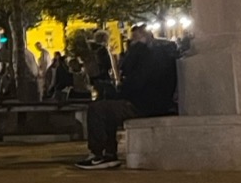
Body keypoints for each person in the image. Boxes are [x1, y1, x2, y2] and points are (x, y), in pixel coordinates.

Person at [76, 24, 178, 169]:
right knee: (107, 107)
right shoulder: (161, 55)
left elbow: (135, 84)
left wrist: (118, 91)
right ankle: (107, 153)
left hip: (145, 105)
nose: (131, 43)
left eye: (134, 39)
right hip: (156, 103)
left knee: (97, 109)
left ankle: (100, 154)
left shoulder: (145, 57)